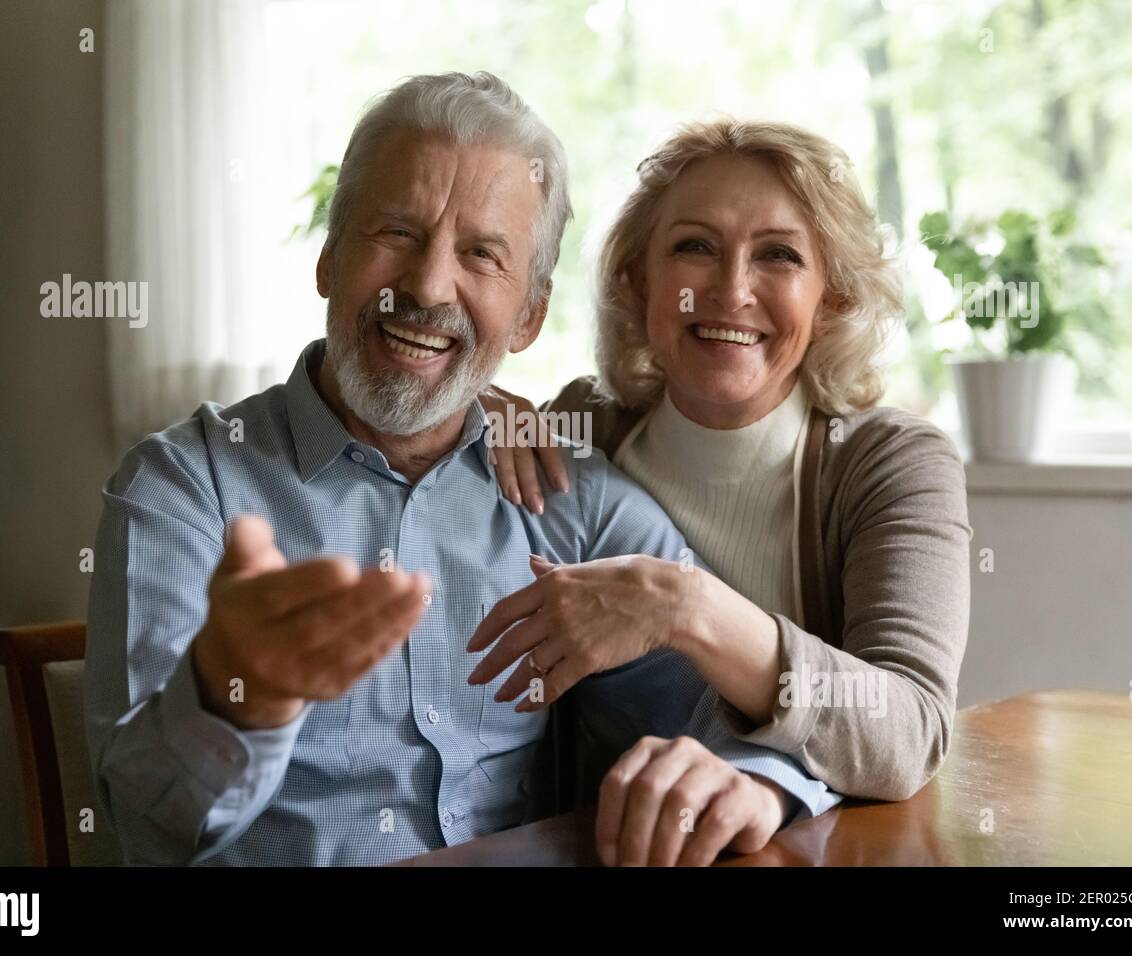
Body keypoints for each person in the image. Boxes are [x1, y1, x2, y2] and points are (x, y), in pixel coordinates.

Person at [84, 74, 839, 868]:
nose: (427, 286)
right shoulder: (180, 489)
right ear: (329, 261)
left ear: (529, 317)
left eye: (481, 254)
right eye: (397, 234)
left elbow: (736, 717)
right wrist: (233, 698)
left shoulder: (571, 499)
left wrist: (757, 781)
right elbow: (145, 827)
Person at [481, 119, 971, 802]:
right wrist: (471, 409)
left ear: (831, 300)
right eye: (695, 247)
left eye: (779, 256)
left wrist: (686, 606)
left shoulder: (890, 464)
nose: (732, 290)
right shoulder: (583, 427)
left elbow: (910, 735)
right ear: (637, 278)